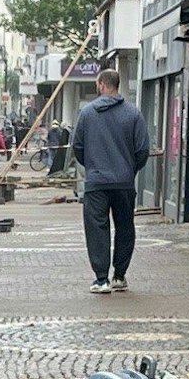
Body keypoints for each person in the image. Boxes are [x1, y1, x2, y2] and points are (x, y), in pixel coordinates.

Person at [73, 69, 150, 294]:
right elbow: (142, 149)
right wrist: (130, 169)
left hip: (96, 182)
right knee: (125, 227)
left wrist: (92, 166)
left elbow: (77, 146)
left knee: (97, 228)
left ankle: (101, 279)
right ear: (116, 85)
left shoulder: (87, 114)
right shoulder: (133, 114)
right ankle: (119, 276)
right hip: (124, 182)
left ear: (101, 84)